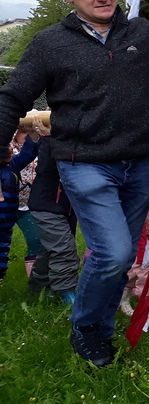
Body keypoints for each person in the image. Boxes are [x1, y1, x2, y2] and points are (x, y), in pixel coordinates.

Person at [0, 0, 149, 367]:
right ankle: (85, 327)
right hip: (83, 164)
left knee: (121, 257)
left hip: (137, 166)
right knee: (113, 253)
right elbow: (12, 97)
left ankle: (100, 330)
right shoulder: (50, 44)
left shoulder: (145, 35)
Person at [25, 117, 80, 305]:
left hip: (68, 206)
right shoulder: (47, 139)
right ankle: (67, 292)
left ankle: (37, 286)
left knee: (51, 248)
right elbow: (46, 167)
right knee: (64, 249)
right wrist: (49, 137)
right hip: (46, 204)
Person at [0, 126, 39, 285]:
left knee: (2, 255)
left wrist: (32, 134)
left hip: (6, 222)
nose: (10, 150)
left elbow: (27, 154)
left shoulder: (12, 165)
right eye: (5, 150)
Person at [9, 123, 42, 276]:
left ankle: (34, 281)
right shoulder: (6, 143)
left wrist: (34, 135)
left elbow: (27, 155)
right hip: (7, 205)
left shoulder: (39, 141)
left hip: (27, 206)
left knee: (36, 241)